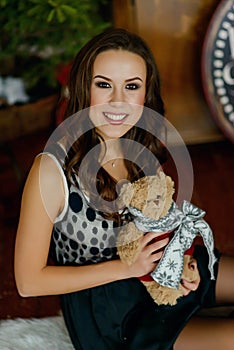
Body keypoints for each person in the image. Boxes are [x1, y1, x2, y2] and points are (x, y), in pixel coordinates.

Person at [14, 28, 234, 350]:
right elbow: (27, 282)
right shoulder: (52, 170)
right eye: (104, 85)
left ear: (146, 93)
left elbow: (162, 224)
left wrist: (184, 260)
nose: (118, 101)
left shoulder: (142, 146)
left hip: (157, 272)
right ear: (82, 88)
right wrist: (125, 268)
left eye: (132, 87)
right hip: (112, 315)